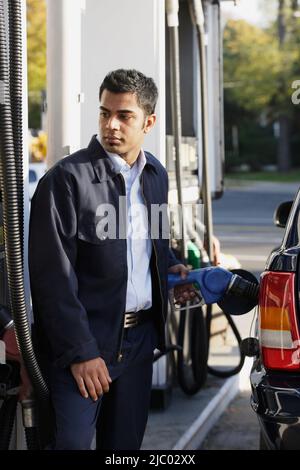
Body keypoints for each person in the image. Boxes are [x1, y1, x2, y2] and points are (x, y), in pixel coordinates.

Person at [28, 69, 195, 450]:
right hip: (84, 345)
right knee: (71, 444)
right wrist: (81, 352)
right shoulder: (66, 181)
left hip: (138, 344)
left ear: (148, 122)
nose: (111, 125)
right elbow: (52, 279)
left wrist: (170, 266)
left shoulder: (155, 175)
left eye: (125, 116)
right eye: (105, 113)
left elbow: (152, 243)